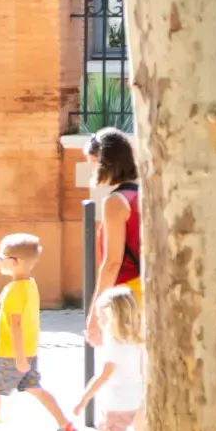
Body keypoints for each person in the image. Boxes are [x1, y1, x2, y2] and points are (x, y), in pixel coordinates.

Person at [0, 232, 73, 431]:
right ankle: (65, 425)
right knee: (34, 388)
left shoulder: (14, 290)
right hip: (26, 351)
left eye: (1, 256)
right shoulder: (30, 285)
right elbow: (12, 324)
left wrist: (19, 358)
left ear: (15, 262)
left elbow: (15, 326)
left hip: (12, 354)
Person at [67, 284, 147, 431]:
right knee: (139, 430)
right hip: (139, 395)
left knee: (106, 429)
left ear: (111, 317)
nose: (99, 320)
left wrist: (84, 398)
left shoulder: (114, 345)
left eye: (100, 316)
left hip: (119, 400)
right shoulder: (137, 339)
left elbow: (103, 375)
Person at [85, 126, 143, 343]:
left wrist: (93, 316)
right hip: (148, 291)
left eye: (92, 163)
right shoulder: (142, 195)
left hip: (124, 298)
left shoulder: (115, 202)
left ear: (103, 163)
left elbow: (112, 262)